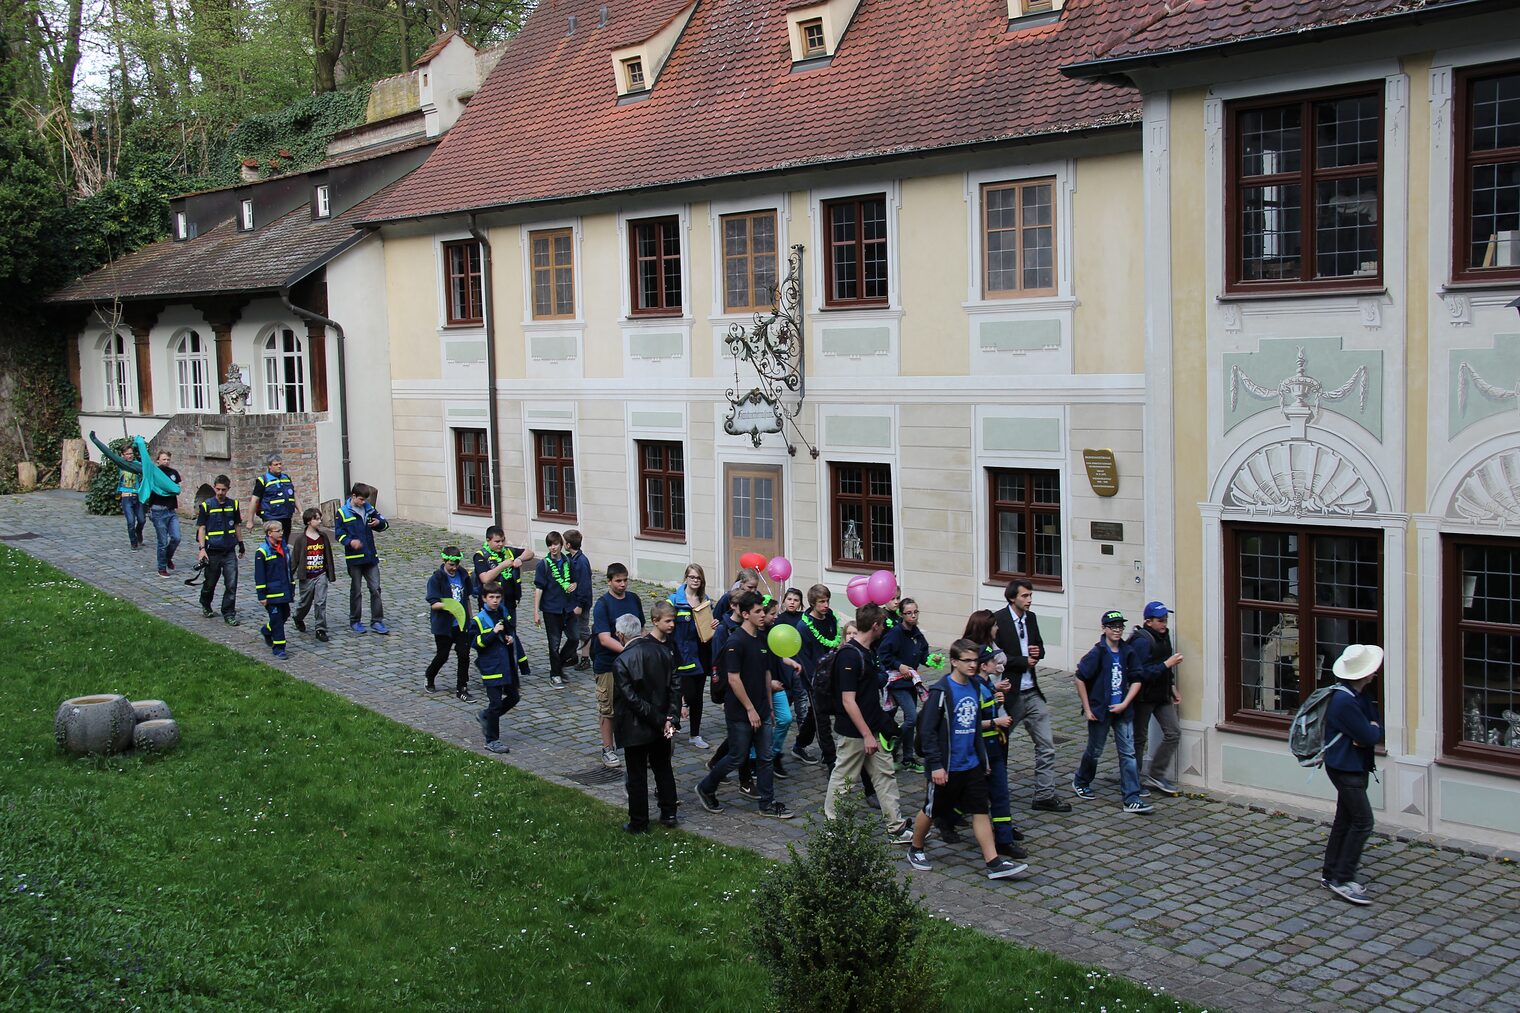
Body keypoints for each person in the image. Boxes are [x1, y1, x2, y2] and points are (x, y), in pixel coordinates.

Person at [906, 639, 1029, 880]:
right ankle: (916, 847)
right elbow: (928, 731)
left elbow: (974, 725)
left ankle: (993, 862)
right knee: (932, 809)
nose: (973, 665)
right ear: (954, 662)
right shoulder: (942, 691)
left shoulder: (974, 687)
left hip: (971, 763)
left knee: (980, 810)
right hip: (947, 766)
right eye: (967, 660)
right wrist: (937, 765)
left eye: (975, 660)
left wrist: (982, 760)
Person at [695, 591, 794, 819]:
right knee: (737, 757)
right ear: (745, 613)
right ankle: (706, 787)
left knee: (766, 756)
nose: (763, 615)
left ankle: (767, 804)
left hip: (761, 708)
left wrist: (768, 707)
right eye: (758, 611)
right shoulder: (735, 642)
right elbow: (733, 679)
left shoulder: (762, 638)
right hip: (740, 711)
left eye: (763, 611)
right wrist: (750, 709)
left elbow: (767, 672)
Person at [824, 604, 913, 842]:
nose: (884, 629)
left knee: (885, 776)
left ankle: (896, 827)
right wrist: (866, 735)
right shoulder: (849, 655)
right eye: (882, 625)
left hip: (872, 729)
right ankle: (834, 829)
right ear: (875, 626)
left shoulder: (867, 652)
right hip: (855, 733)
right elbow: (848, 701)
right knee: (843, 779)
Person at [992, 581, 1071, 815]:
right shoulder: (998, 620)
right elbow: (996, 658)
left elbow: (1038, 649)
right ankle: (994, 792)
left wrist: (1038, 651)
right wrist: (1022, 660)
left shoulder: (1032, 618)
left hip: (1033, 691)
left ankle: (1044, 795)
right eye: (1025, 596)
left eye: (1030, 595)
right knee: (999, 745)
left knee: (1046, 745)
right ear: (1012, 598)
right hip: (1010, 693)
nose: (1029, 600)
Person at [1322, 644, 1385, 906]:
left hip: (1353, 765)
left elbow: (1374, 729)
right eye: (1372, 671)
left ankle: (1330, 873)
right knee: (1363, 822)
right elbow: (1370, 734)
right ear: (1364, 674)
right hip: (1346, 768)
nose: (1375, 675)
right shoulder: (1345, 701)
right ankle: (1342, 878)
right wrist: (1367, 732)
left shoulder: (1358, 696)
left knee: (1345, 819)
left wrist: (1368, 732)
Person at [1071, 610, 1152, 815]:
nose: (1117, 630)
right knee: (1095, 750)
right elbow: (1080, 677)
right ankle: (1081, 779)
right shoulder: (1097, 652)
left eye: (1120, 626)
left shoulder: (1127, 651)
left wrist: (1125, 703)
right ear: (1104, 628)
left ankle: (1131, 797)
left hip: (1123, 712)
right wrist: (1088, 709)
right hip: (1100, 711)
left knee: (1128, 753)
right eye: (1113, 626)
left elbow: (1137, 679)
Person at [613, 605, 682, 833]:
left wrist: (660, 719)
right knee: (664, 767)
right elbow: (675, 687)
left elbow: (631, 699)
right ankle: (669, 812)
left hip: (637, 727)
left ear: (621, 636)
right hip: (665, 725)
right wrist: (670, 718)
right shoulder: (664, 651)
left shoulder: (622, 661)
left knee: (637, 773)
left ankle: (639, 821)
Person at [1128, 601, 1185, 797]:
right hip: (1143, 697)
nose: (1164, 624)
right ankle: (1132, 779)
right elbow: (1140, 673)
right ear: (1148, 622)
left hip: (1162, 694)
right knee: (1139, 739)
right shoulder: (1141, 641)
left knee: (1173, 732)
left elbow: (1164, 667)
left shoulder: (1164, 636)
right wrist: (1167, 665)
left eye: (1166, 620)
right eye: (1160, 620)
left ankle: (1156, 774)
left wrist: (1172, 686)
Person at [977, 646, 1028, 860]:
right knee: (964, 796)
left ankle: (1004, 839)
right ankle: (946, 820)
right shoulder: (975, 688)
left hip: (994, 748)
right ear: (983, 665)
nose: (997, 664)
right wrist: (995, 721)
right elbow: (970, 724)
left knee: (1000, 794)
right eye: (992, 661)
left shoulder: (987, 684)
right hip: (980, 752)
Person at [592, 563, 645, 767]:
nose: (623, 584)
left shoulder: (634, 599)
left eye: (625, 580)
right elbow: (604, 638)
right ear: (609, 581)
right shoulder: (603, 605)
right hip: (608, 664)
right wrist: (630, 651)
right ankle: (608, 749)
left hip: (632, 663)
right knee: (608, 707)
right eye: (618, 581)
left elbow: (641, 628)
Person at [790, 583, 841, 768]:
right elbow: (804, 658)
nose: (826, 605)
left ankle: (799, 744)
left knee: (814, 714)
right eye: (821, 602)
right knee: (822, 719)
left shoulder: (830, 618)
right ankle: (830, 759)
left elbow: (834, 643)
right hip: (815, 679)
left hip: (831, 674)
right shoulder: (803, 627)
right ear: (812, 603)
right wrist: (815, 681)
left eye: (827, 601)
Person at [879, 597, 930, 772]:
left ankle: (907, 758)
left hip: (911, 682)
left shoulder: (917, 633)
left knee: (911, 720)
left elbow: (923, 653)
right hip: (897, 682)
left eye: (916, 612)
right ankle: (894, 742)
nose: (913, 616)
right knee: (912, 717)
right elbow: (883, 654)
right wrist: (898, 665)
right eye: (909, 613)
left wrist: (932, 659)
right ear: (902, 615)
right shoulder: (895, 633)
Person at [472, 582, 520, 754]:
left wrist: (508, 638)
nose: (495, 600)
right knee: (495, 703)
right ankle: (491, 740)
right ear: (484, 598)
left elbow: (507, 632)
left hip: (505, 665)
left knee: (514, 697)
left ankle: (486, 716)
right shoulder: (479, 619)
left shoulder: (501, 613)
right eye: (491, 597)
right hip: (491, 667)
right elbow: (477, 643)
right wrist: (492, 632)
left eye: (498, 597)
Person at [669, 563, 713, 749]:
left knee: (697, 697)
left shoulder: (705, 600)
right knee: (678, 696)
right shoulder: (674, 600)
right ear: (686, 578)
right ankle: (669, 732)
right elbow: (667, 625)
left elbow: (707, 626)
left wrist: (713, 625)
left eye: (698, 578)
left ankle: (695, 734)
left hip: (700, 655)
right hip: (681, 655)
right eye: (692, 577)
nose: (695, 580)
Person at [335, 482, 389, 634]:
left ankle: (377, 621)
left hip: (371, 557)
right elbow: (339, 534)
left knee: (376, 589)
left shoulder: (369, 509)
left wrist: (379, 523)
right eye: (360, 499)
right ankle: (355, 621)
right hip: (355, 559)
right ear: (353, 496)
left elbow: (384, 524)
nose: (363, 502)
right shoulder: (343, 512)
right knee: (356, 591)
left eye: (365, 499)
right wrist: (350, 542)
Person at [425, 546, 476, 698]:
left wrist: (470, 618)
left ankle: (462, 686)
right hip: (444, 625)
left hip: (461, 624)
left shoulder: (463, 574)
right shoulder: (436, 578)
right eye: (451, 565)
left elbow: (466, 598)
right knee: (443, 655)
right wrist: (450, 606)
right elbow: (434, 603)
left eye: (457, 564)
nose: (454, 568)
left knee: (464, 654)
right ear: (444, 561)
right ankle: (430, 675)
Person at [194, 474, 245, 626]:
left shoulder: (233, 505)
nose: (220, 492)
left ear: (228, 489)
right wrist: (202, 549)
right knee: (210, 583)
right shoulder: (207, 505)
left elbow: (236, 525)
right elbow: (202, 528)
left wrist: (241, 544)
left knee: (231, 583)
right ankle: (205, 602)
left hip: (229, 550)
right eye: (217, 489)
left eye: (223, 489)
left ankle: (228, 612)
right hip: (213, 551)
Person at [533, 531, 577, 688]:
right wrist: (536, 611)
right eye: (550, 545)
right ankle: (555, 674)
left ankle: (559, 665)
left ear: (561, 545)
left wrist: (574, 586)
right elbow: (539, 588)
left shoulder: (568, 562)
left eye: (556, 544)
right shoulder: (543, 565)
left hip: (568, 607)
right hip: (551, 609)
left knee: (574, 638)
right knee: (554, 643)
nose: (553, 548)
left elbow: (574, 581)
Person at [473, 525, 535, 635]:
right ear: (488, 540)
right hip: (492, 604)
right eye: (497, 541)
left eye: (502, 541)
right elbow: (485, 578)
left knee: (510, 633)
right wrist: (502, 566)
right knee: (492, 634)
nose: (501, 544)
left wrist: (520, 559)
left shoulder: (508, 552)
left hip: (510, 602)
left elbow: (530, 553)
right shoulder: (481, 556)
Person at [291, 507, 334, 643]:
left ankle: (320, 629)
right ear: (309, 521)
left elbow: (328, 556)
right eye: (317, 518)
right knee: (305, 602)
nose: (319, 521)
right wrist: (290, 575)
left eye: (320, 518)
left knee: (320, 602)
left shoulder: (323, 537)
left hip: (320, 573)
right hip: (307, 576)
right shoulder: (300, 539)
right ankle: (298, 617)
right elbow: (295, 559)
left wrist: (330, 573)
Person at [253, 521, 292, 659]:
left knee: (285, 614)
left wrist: (291, 586)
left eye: (281, 530)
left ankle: (267, 630)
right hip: (271, 593)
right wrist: (261, 595)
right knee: (276, 619)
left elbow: (288, 570)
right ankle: (279, 648)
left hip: (284, 590)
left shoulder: (284, 548)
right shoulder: (262, 552)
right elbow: (260, 576)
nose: (281, 533)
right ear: (270, 533)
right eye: (278, 531)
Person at [146, 449, 183, 578]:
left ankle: (167, 557)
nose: (166, 461)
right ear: (158, 460)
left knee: (176, 537)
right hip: (157, 510)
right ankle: (161, 567)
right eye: (163, 459)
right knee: (162, 540)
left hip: (171, 510)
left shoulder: (173, 473)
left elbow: (177, 488)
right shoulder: (154, 473)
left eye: (168, 459)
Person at [248, 453, 298, 543]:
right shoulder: (263, 480)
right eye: (276, 464)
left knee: (285, 541)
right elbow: (254, 500)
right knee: (273, 542)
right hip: (271, 516)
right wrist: (250, 520)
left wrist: (301, 511)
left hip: (286, 516)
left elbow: (293, 495)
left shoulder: (286, 478)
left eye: (280, 464)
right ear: (270, 466)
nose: (279, 466)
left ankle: (283, 556)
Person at [564, 529, 593, 671]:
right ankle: (573, 655)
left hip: (581, 603)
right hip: (573, 602)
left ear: (568, 544)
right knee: (573, 629)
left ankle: (586, 658)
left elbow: (584, 585)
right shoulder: (571, 558)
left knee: (583, 630)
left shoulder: (581, 561)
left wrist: (580, 604)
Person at [117, 443, 145, 550]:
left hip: (137, 496)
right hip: (126, 497)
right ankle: (134, 542)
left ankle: (138, 533)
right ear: (123, 455)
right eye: (127, 454)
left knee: (142, 520)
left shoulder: (137, 464)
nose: (130, 456)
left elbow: (145, 468)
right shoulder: (121, 464)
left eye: (131, 453)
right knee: (130, 521)